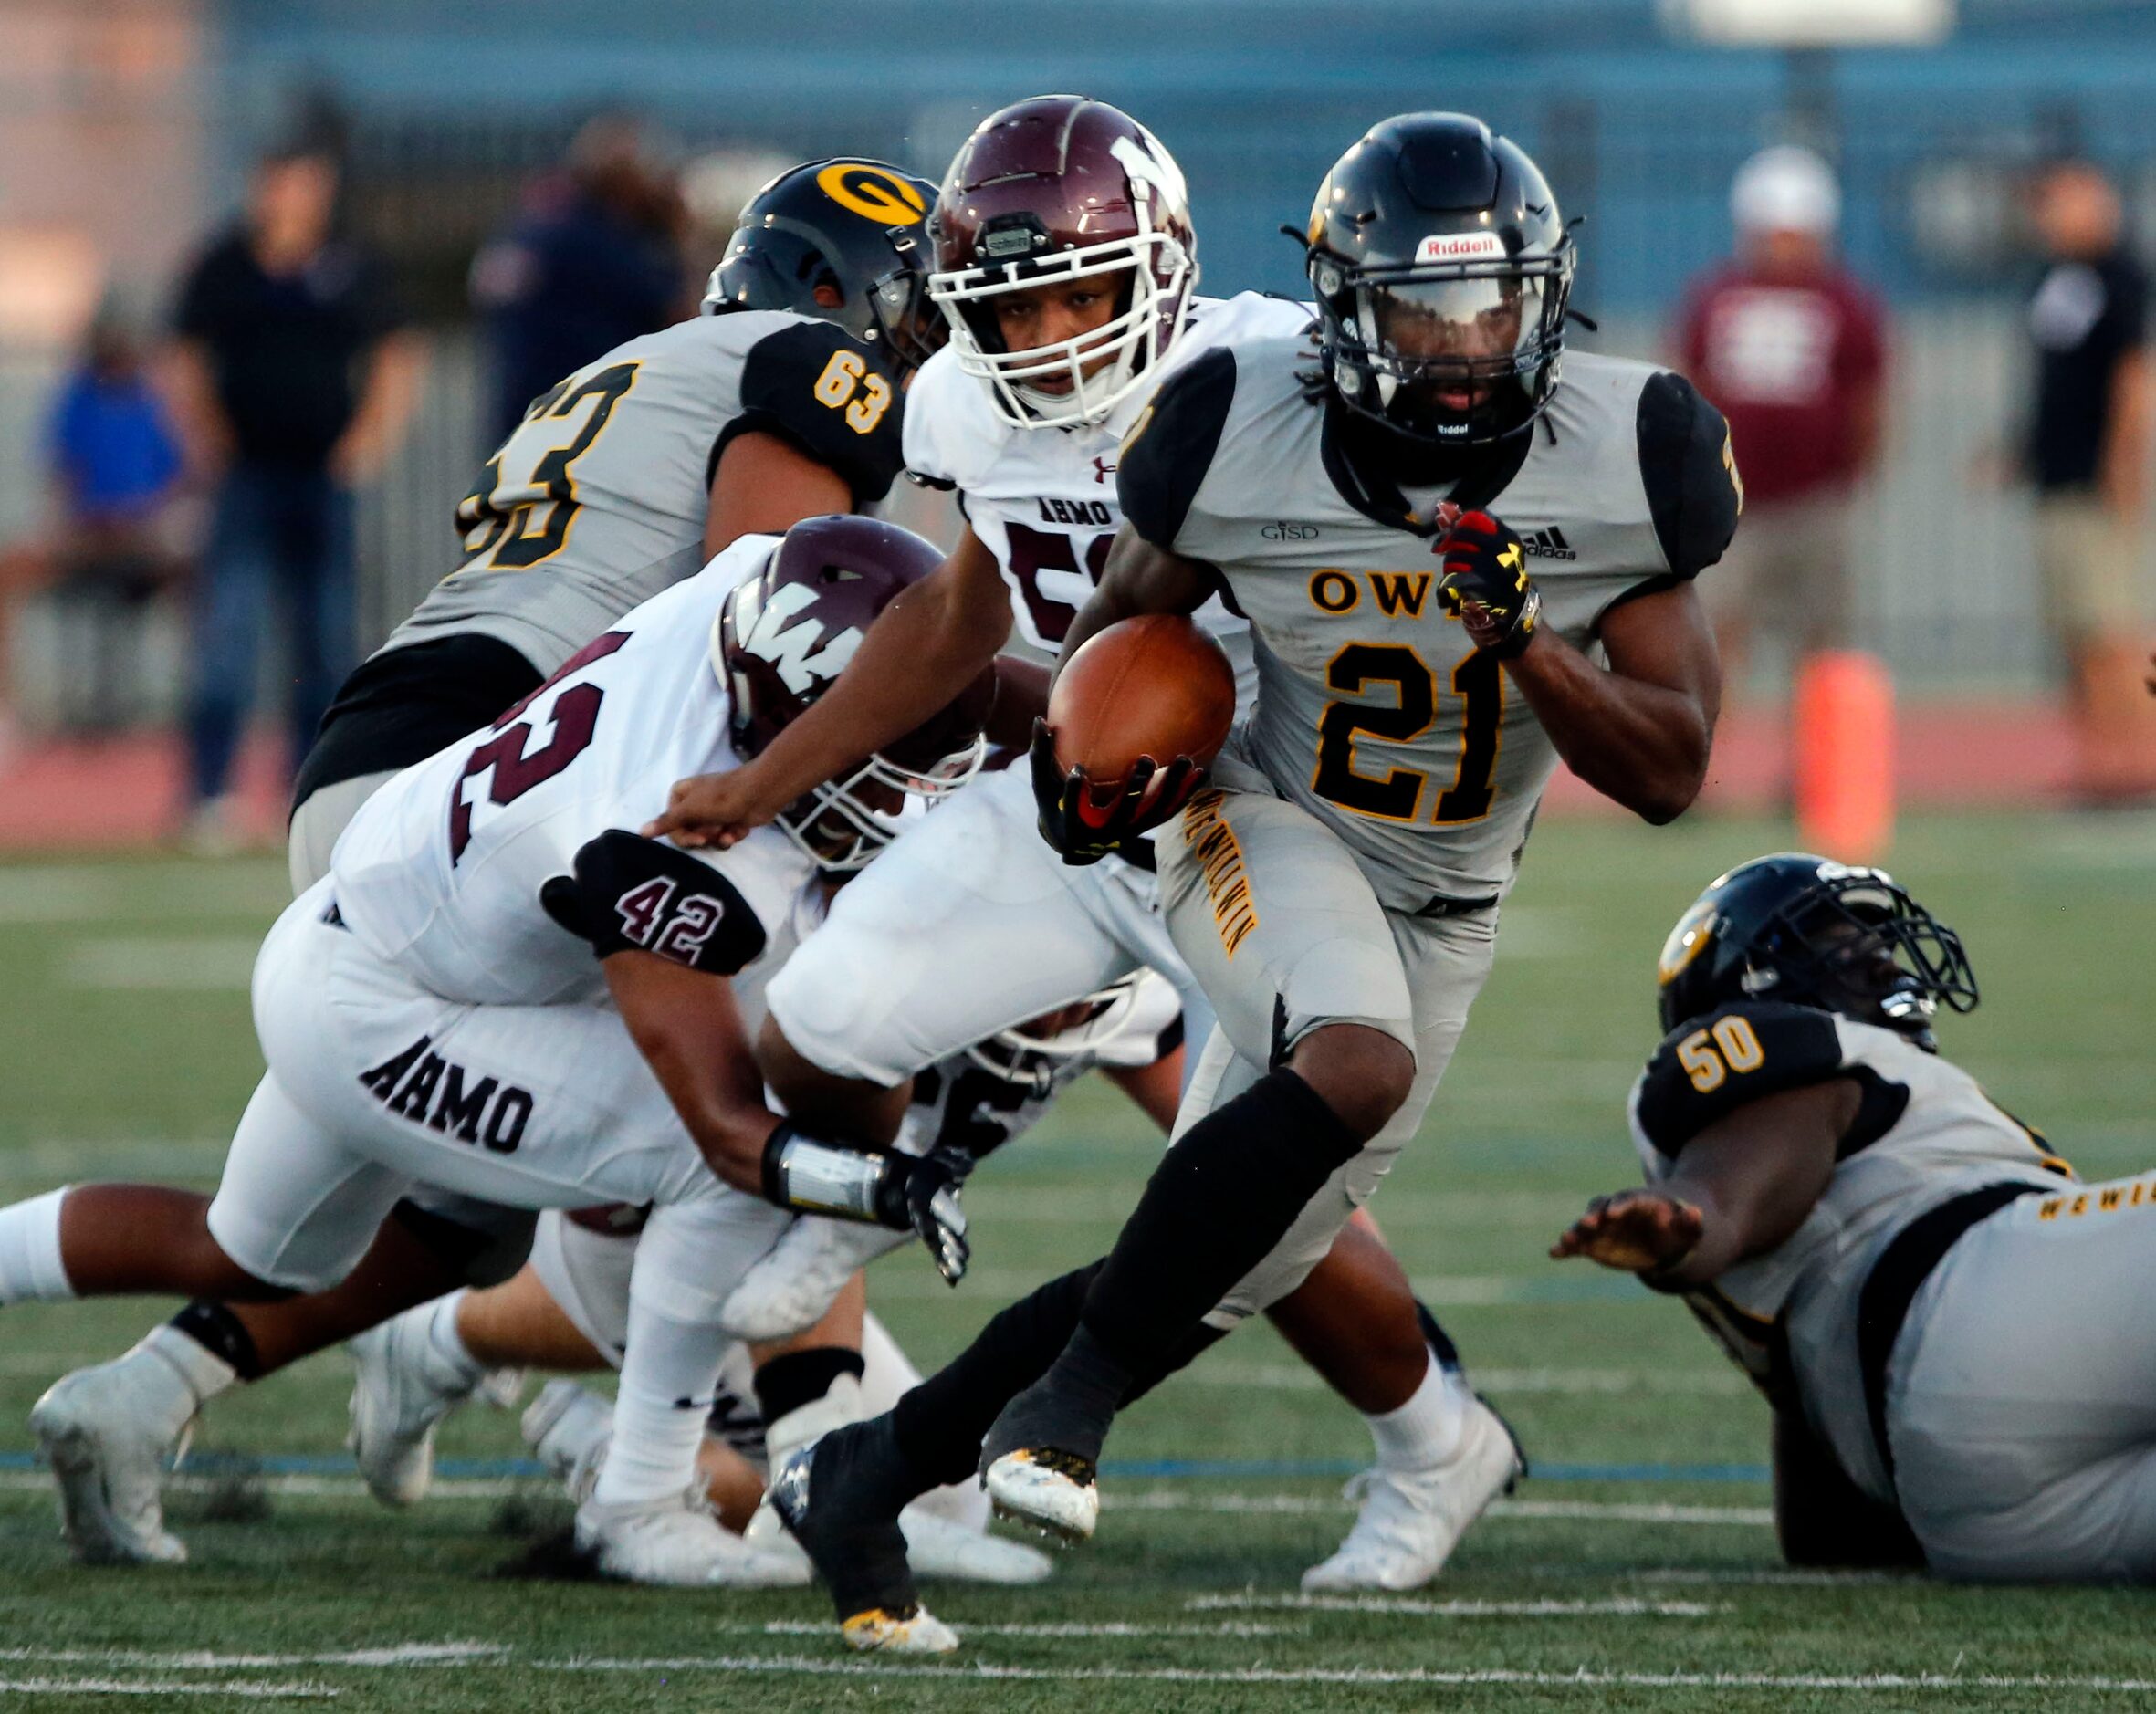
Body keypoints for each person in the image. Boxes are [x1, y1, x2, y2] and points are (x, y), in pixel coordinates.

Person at [650, 110, 1736, 1651]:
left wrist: (1526, 640)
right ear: (1345, 314)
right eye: (1415, 314)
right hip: (1224, 802)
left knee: (1215, 1249)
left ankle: (874, 1469)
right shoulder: (1237, 417)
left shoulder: (1625, 450)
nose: (1451, 350)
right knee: (874, 1026)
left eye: (1484, 309)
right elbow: (1083, 627)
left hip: (1436, 881)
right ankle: (1045, 1390)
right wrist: (1082, 747)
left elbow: (1672, 771)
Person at [5, 160, 963, 1584]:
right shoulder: (813, 366)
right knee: (741, 1102)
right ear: (834, 289)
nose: (929, 341)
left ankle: (144, 1398)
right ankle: (676, 1457)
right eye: (916, 306)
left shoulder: (638, 367)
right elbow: (763, 601)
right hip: (496, 782)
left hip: (391, 766)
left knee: (343, 1227)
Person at [347, 976, 1186, 1586]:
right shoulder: (918, 937)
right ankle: (630, 1466)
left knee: (943, 1502)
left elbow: (1209, 1135)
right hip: (691, 1210)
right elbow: (793, 1167)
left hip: (784, 1249)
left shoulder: (1130, 980)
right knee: (850, 1472)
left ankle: (440, 1345)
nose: (1058, 1003)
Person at [1553, 852, 2156, 1583]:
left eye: (1876, 940)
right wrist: (1693, 1223)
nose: (1879, 960)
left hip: (1966, 1515)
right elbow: (1740, 1183)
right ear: (1754, 985)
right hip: (1983, 1304)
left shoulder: (1830, 1244)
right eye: (1839, 943)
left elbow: (1826, 1538)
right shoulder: (1788, 1056)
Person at [165, 138, 425, 849]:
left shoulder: (351, 266)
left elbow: (397, 354)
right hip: (247, 476)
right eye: (280, 186)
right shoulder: (223, 264)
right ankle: (209, 794)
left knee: (327, 637)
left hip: (321, 479)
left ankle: (308, 792)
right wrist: (206, 440)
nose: (290, 201)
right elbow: (184, 356)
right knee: (228, 636)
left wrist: (366, 443)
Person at [1675, 145, 1885, 690]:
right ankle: (1710, 767)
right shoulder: (1716, 295)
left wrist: (1854, 470)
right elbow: (1688, 382)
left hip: (1814, 497)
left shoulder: (1845, 299)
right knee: (1717, 638)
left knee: (1820, 644)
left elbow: (1868, 393)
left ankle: (1813, 767)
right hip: (1731, 502)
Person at [2020, 157, 2152, 800]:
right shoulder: (2055, 278)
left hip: (2094, 483)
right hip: (2056, 478)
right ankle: (2100, 763)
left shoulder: (2121, 276)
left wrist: (2124, 464)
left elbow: (2132, 376)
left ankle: (2138, 763)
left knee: (2113, 631)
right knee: (2076, 633)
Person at [470, 114, 689, 442]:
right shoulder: (601, 242)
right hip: (591, 424)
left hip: (527, 417)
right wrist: (679, 236)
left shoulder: (538, 225)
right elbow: (683, 316)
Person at [42, 309, 185, 732]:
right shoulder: (78, 399)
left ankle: (192, 702)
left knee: (202, 581)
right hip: (92, 537)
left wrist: (145, 515)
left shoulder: (150, 403)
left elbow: (174, 475)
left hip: (143, 538)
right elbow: (63, 472)